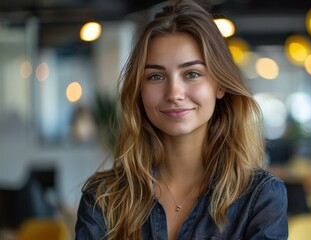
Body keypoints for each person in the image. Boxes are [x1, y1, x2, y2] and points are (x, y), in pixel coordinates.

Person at [75, 0, 288, 239]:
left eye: (192, 74)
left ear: (219, 86)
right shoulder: (103, 197)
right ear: (139, 91)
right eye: (155, 76)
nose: (174, 93)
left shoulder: (260, 197)